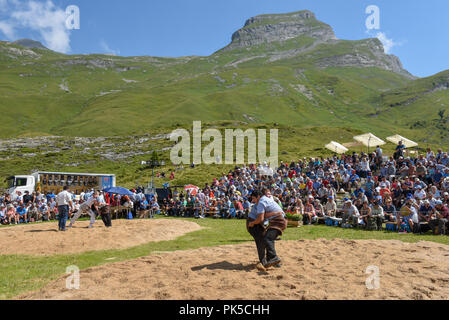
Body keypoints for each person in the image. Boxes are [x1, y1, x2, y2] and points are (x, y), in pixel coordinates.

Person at [247, 189, 287, 270]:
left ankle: (271, 259)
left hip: (261, 222)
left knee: (266, 239)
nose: (253, 201)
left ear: (258, 196)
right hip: (271, 221)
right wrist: (277, 213)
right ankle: (270, 261)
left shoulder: (261, 202)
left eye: (254, 198)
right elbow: (265, 215)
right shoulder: (266, 200)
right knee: (265, 240)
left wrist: (253, 223)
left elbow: (261, 218)